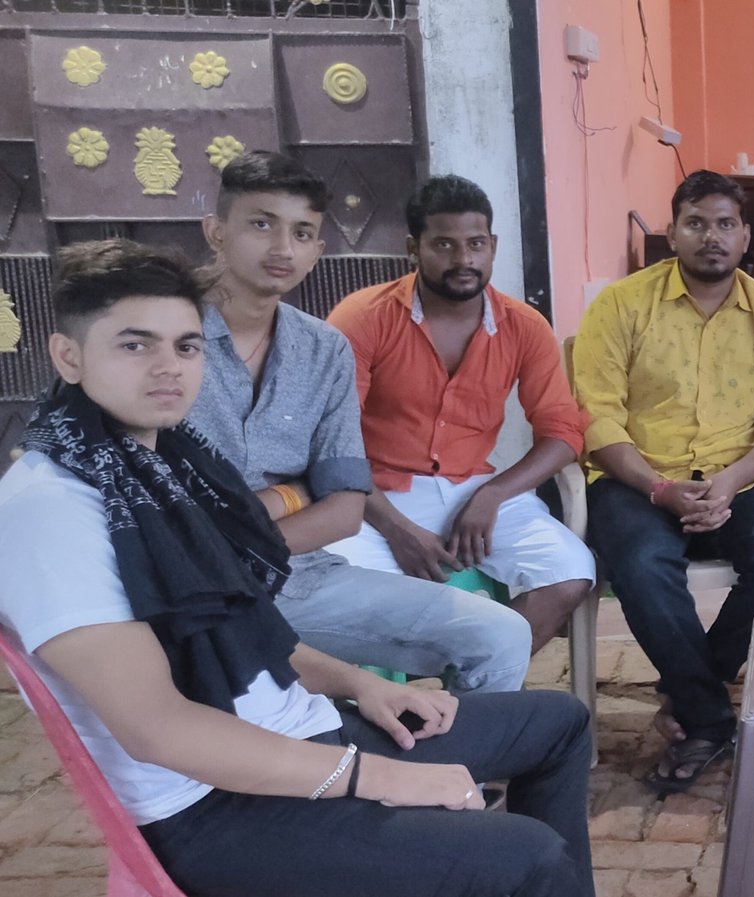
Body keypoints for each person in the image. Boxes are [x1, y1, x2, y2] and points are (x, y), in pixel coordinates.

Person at [0, 239, 593, 897]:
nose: (168, 368)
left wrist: (359, 684)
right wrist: (382, 776)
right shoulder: (52, 509)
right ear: (69, 356)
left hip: (296, 734)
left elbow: (244, 632)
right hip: (213, 808)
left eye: (187, 346)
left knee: (560, 724)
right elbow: (157, 729)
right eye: (135, 345)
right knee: (531, 857)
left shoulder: (162, 466)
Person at [186, 151, 531, 693]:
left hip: (296, 580)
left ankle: (459, 754)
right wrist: (292, 496)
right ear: (216, 231)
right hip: (180, 590)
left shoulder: (323, 349)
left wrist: (252, 537)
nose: (282, 248)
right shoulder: (159, 335)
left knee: (500, 635)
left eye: (302, 233)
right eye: (261, 224)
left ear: (317, 251)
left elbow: (345, 507)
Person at [572, 170, 754, 795]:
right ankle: (708, 717)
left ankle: (691, 689)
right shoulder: (621, 306)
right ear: (673, 232)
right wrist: (658, 488)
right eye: (697, 223)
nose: (712, 237)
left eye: (725, 224)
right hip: (637, 479)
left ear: (745, 236)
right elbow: (595, 416)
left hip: (738, 478)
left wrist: (733, 481)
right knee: (641, 563)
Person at [324, 176, 593, 657]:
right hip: (372, 493)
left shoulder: (524, 326)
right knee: (345, 595)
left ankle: (475, 690)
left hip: (474, 486)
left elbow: (563, 432)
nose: (463, 259)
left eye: (476, 244)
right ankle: (388, 697)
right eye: (444, 245)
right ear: (413, 248)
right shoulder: (363, 317)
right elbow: (332, 443)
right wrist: (397, 530)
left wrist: (493, 494)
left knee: (568, 573)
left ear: (493, 246)